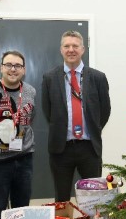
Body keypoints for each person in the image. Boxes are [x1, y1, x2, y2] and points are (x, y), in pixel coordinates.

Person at [42, 30, 111, 202]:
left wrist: (94, 128)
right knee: (62, 197)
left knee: (93, 198)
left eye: (75, 46)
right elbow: (48, 111)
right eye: (67, 46)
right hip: (61, 148)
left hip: (89, 147)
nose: (71, 49)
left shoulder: (98, 77)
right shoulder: (50, 77)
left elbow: (105, 110)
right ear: (61, 50)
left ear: (83, 49)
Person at [0, 50, 36, 219]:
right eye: (9, 65)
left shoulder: (30, 91)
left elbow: (30, 119)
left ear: (24, 70)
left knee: (22, 209)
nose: (13, 69)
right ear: (1, 68)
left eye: (18, 65)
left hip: (24, 158)